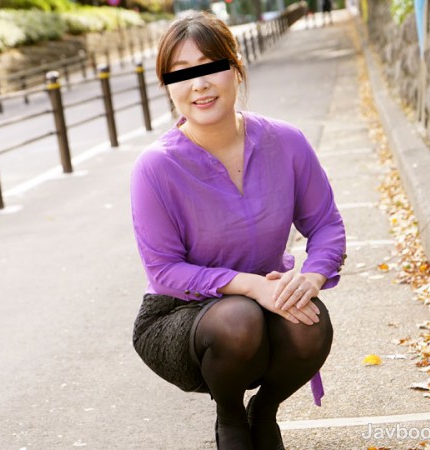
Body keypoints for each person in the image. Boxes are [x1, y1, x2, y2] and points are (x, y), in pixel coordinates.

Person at [130, 11, 346, 450]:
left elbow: (326, 224)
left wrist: (311, 277)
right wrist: (250, 286)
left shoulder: (286, 142)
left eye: (210, 67)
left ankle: (263, 413)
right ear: (168, 86)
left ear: (235, 67)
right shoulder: (155, 168)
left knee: (310, 322)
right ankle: (229, 416)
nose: (199, 84)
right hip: (180, 314)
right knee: (239, 318)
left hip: (264, 301)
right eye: (181, 74)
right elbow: (164, 271)